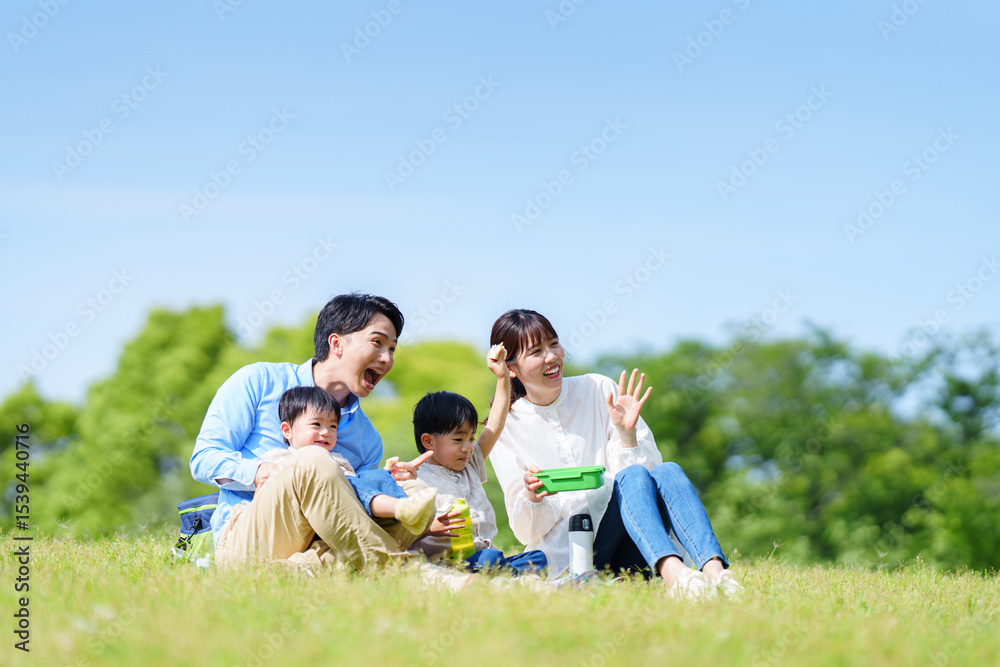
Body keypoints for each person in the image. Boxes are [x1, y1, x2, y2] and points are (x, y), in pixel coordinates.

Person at [488, 309, 742, 599]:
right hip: (574, 556)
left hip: (635, 539)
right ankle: (675, 575)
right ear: (511, 368)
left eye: (554, 344)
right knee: (632, 476)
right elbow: (525, 533)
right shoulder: (507, 426)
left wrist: (627, 435)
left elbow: (649, 480)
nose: (551, 357)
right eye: (536, 352)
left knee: (668, 470)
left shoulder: (598, 389)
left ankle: (717, 574)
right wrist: (533, 498)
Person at [190, 293, 431, 571]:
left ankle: (292, 572)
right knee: (314, 459)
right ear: (336, 343)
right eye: (377, 342)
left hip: (321, 542)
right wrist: (258, 472)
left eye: (392, 349)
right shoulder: (259, 382)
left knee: (416, 493)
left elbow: (358, 512)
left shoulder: (368, 439)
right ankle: (407, 573)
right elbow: (203, 459)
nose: (387, 359)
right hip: (246, 539)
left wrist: (388, 481)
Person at [411, 345, 547, 576]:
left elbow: (496, 423)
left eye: (471, 438)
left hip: (483, 556)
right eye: (458, 439)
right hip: (449, 562)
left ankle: (506, 574)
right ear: (428, 441)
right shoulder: (416, 480)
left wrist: (502, 377)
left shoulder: (469, 465)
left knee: (539, 558)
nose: (467, 447)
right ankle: (506, 576)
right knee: (491, 558)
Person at [254, 386, 438, 535]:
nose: (326, 432)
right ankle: (400, 508)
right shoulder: (279, 458)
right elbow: (269, 494)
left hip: (343, 510)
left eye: (333, 426)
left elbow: (359, 485)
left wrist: (388, 476)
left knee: (373, 477)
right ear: (287, 430)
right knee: (351, 483)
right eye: (316, 424)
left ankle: (407, 511)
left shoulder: (338, 459)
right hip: (306, 514)